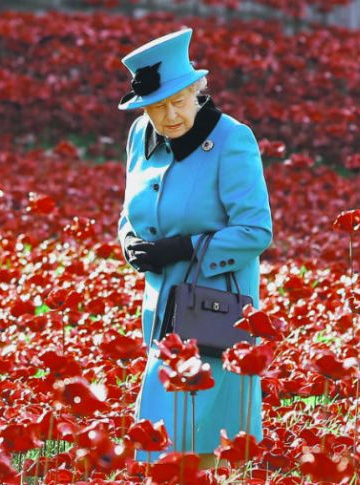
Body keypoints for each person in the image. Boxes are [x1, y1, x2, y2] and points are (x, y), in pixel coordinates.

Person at [116, 28, 274, 472]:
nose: (167, 116)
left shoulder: (231, 140)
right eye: (155, 106)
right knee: (160, 437)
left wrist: (186, 247)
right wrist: (130, 241)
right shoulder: (139, 136)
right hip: (160, 311)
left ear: (198, 92)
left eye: (177, 102)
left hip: (214, 312)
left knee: (200, 436)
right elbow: (131, 210)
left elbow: (256, 231)